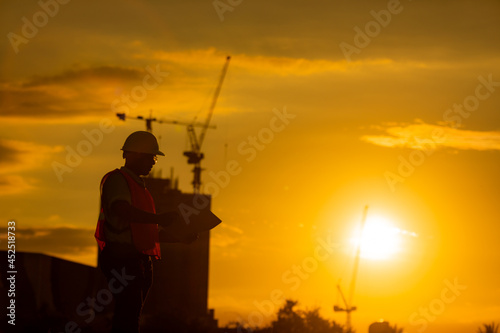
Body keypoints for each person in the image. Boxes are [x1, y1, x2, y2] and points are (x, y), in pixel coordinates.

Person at [94, 131, 194, 333]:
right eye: (152, 157)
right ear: (136, 154)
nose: (154, 162)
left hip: (136, 259)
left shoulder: (141, 189)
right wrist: (158, 219)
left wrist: (180, 237)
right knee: (127, 313)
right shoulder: (117, 180)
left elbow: (146, 232)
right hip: (122, 257)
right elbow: (122, 209)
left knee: (132, 313)